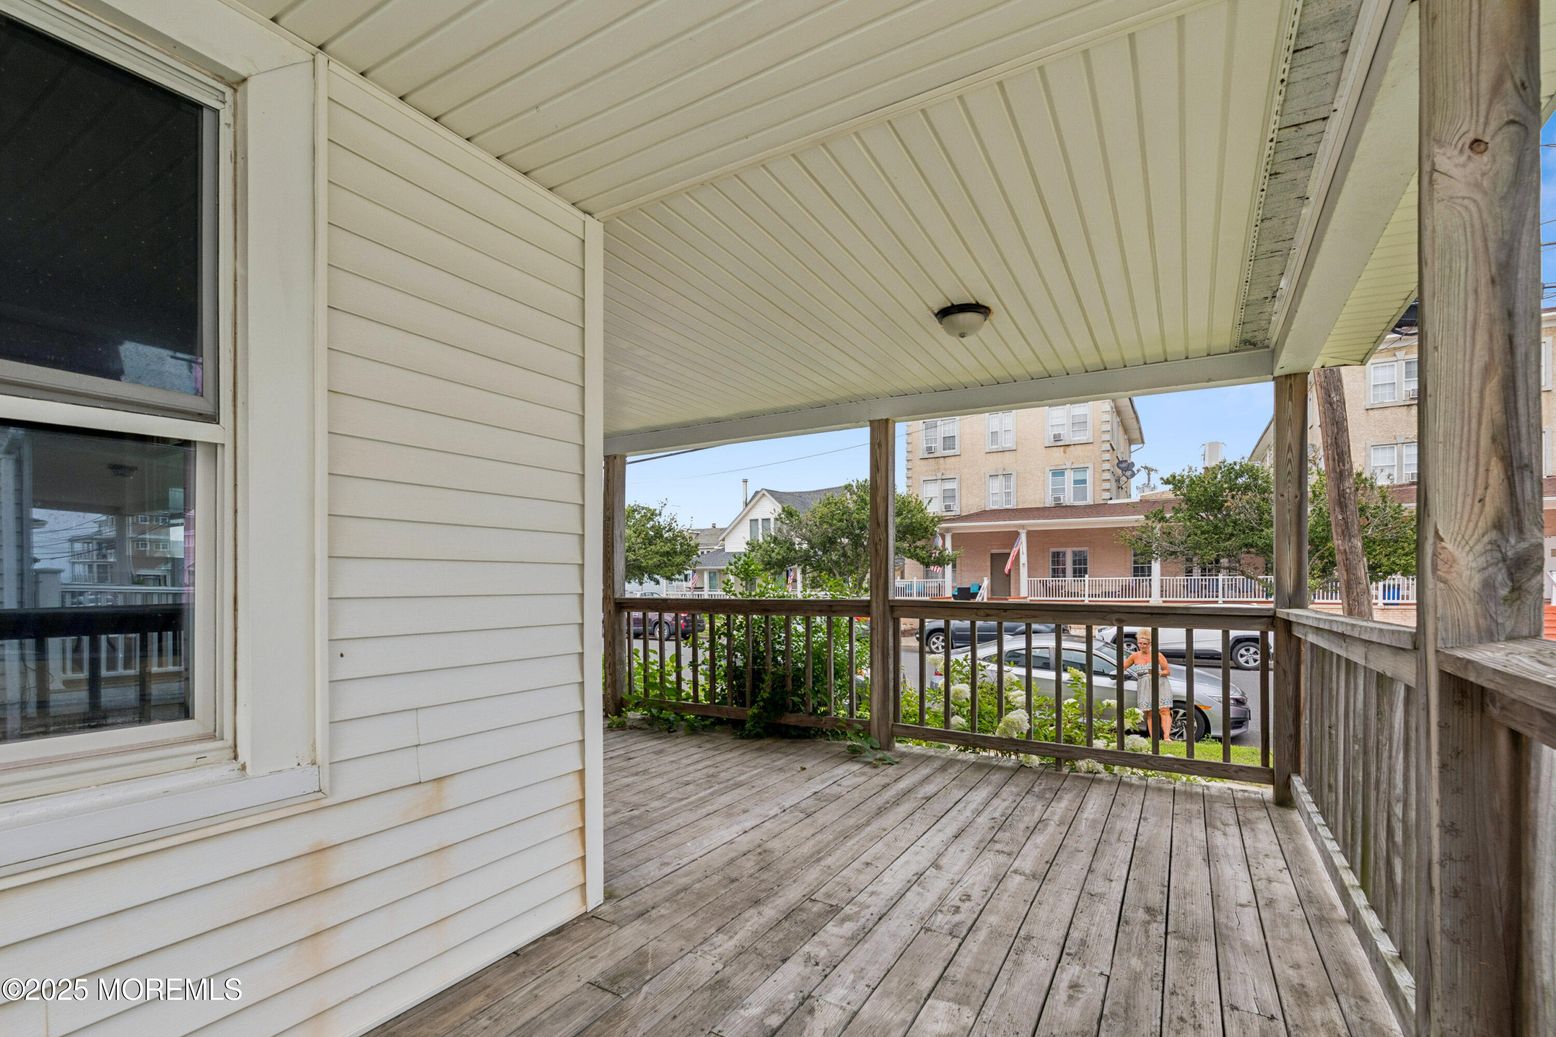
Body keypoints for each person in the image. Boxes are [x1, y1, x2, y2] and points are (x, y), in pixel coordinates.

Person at [1121, 632, 1174, 741]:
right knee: (1150, 712)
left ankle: (1166, 737)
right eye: (1140, 643)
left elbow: (1167, 671)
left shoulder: (1157, 655)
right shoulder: (1134, 656)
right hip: (1144, 686)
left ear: (1150, 644)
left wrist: (1158, 673)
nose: (1142, 645)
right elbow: (1121, 668)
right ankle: (1154, 738)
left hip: (1160, 684)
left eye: (1144, 643)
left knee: (1164, 710)